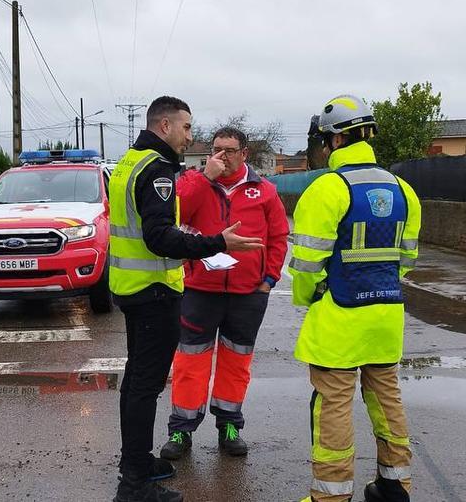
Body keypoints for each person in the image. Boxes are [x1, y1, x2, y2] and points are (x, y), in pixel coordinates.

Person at [109, 96, 264, 502]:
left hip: (131, 289)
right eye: (187, 127)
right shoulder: (157, 169)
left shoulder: (129, 162)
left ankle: (137, 463)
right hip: (154, 292)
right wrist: (217, 242)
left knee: (136, 383)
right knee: (144, 387)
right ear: (165, 126)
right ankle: (134, 485)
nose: (190, 137)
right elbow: (160, 237)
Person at [289, 95, 422, 502]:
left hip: (339, 318)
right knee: (386, 399)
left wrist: (311, 298)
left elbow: (306, 267)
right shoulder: (404, 191)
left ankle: (331, 495)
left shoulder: (328, 189)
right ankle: (394, 487)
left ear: (334, 140)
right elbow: (405, 261)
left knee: (333, 404)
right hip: (386, 316)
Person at [159, 127, 289, 460]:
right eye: (217, 149)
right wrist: (205, 178)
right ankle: (181, 429)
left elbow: (278, 237)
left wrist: (269, 280)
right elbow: (174, 214)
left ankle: (229, 426)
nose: (222, 156)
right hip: (199, 289)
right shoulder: (195, 182)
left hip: (248, 293)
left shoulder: (264, 191)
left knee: (236, 361)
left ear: (244, 154)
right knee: (189, 361)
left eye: (230, 150)